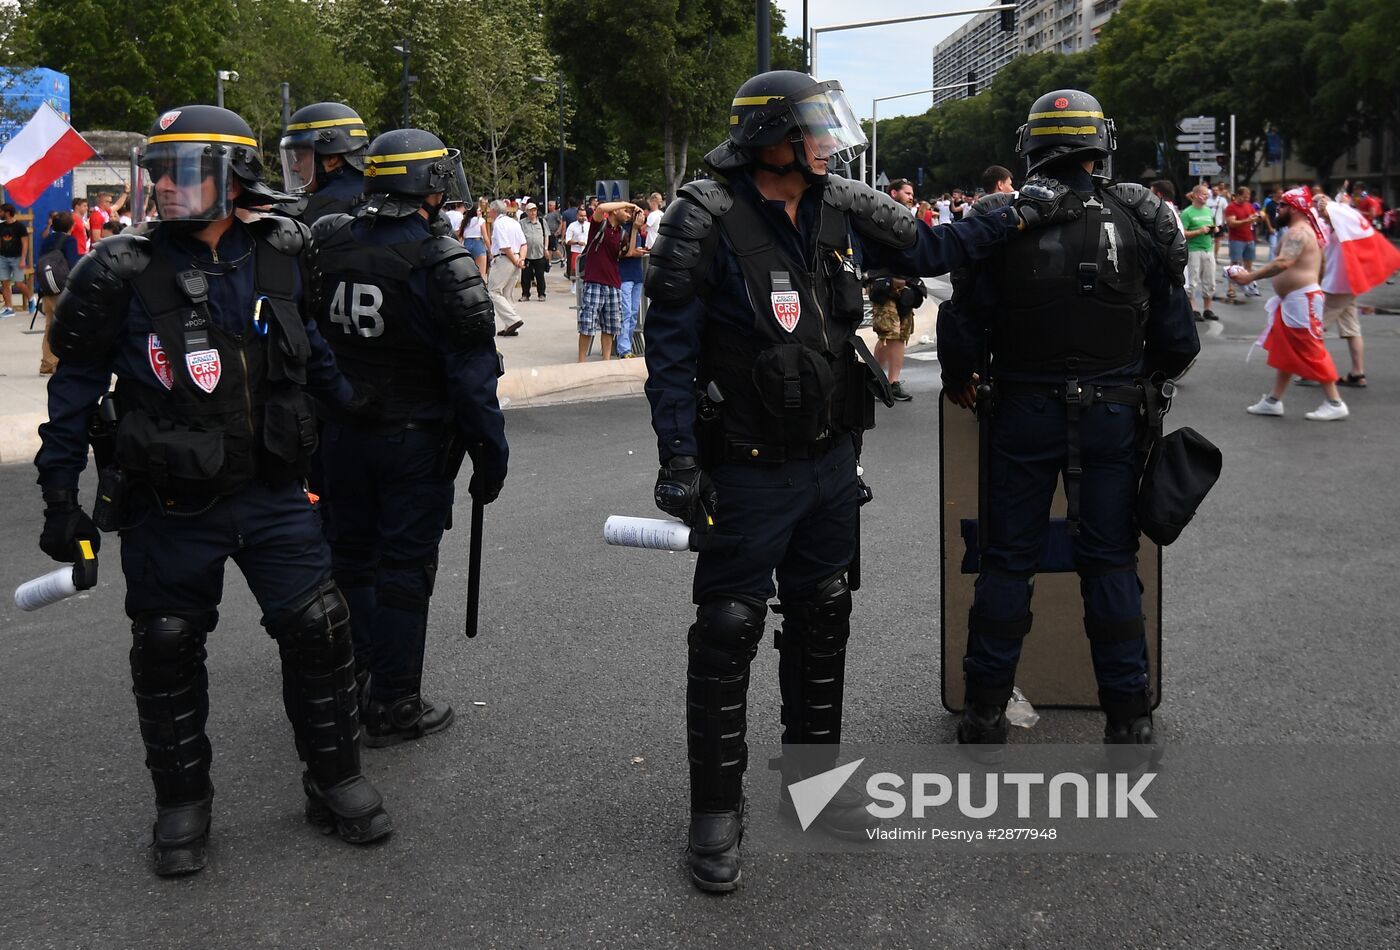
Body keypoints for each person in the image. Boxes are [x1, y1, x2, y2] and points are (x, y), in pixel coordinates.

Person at [643, 69, 1074, 894]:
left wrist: (1016, 209)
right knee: (728, 628)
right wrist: (677, 460)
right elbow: (668, 352)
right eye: (811, 127)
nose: (826, 140)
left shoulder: (842, 203)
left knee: (823, 617)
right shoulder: (703, 216)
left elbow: (933, 247)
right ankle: (715, 813)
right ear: (771, 135)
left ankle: (815, 787)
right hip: (747, 465)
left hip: (832, 461)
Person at [34, 104, 392, 878]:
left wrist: (363, 415)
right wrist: (59, 494)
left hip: (270, 493)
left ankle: (334, 781)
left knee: (320, 631)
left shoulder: (283, 251)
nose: (162, 185)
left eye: (182, 170)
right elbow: (75, 394)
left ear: (235, 178)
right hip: (170, 504)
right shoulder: (118, 272)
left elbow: (312, 354)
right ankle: (182, 804)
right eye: (155, 171)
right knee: (166, 648)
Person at [937, 88, 1198, 761]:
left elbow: (963, 322)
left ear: (1031, 147)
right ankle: (1128, 716)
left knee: (1007, 561)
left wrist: (960, 377)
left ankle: (985, 713)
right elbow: (1178, 339)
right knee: (1110, 559)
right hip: (1113, 411)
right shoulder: (1143, 215)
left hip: (1021, 408)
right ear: (1099, 146)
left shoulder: (1002, 217)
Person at [309, 127, 508, 745]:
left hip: (341, 434)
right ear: (428, 184)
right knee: (402, 569)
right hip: (412, 440)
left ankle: (357, 680)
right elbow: (473, 376)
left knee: (351, 562)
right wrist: (490, 453)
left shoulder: (331, 242)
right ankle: (394, 702)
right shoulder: (439, 259)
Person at [1234, 188, 1348, 420]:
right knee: (1286, 349)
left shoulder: (1298, 233)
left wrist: (1249, 276)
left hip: (1301, 300)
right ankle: (1274, 401)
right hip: (1298, 299)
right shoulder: (1306, 231)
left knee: (1311, 349)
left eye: (1283, 205)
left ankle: (1335, 402)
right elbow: (1322, 265)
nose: (1278, 209)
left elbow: (1283, 262)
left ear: (1294, 209)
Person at [867, 178, 924, 402]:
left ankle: (875, 377)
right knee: (890, 333)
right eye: (907, 192)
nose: (911, 196)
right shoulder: (880, 218)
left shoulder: (910, 218)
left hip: (905, 283)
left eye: (912, 193)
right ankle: (891, 382)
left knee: (899, 333)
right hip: (885, 282)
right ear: (894, 192)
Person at [278, 102, 370, 223]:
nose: (294, 167)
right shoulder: (381, 194)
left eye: (299, 157)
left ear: (332, 158)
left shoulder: (320, 209)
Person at [576, 199, 639, 362]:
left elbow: (628, 252)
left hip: (613, 284)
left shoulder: (622, 233)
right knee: (587, 325)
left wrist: (635, 229)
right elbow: (601, 208)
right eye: (626, 211)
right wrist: (626, 203)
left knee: (610, 327)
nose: (628, 215)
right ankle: (581, 362)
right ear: (615, 211)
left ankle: (606, 361)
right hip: (594, 281)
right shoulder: (600, 224)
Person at [36, 210, 79, 374]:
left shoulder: (47, 240)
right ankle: (68, 363)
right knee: (69, 326)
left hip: (47, 288)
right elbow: (73, 265)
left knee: (49, 326)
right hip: (64, 289)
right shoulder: (70, 241)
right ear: (72, 226)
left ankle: (47, 363)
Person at [485, 199, 526, 336]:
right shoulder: (514, 222)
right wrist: (521, 259)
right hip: (515, 257)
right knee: (507, 293)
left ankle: (513, 320)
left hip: (505, 258)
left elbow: (504, 246)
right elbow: (523, 244)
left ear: (494, 210)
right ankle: (511, 325)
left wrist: (515, 260)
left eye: (490, 209)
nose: (489, 212)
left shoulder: (499, 224)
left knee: (493, 291)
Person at [1180, 184, 1218, 321]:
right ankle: (1193, 309)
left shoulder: (1208, 211)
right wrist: (1198, 231)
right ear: (1195, 195)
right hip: (1194, 250)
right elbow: (1182, 232)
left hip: (1208, 249)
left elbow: (1211, 225)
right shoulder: (1187, 212)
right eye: (1203, 194)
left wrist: (1214, 229)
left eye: (1207, 195)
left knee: (1209, 281)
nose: (1206, 197)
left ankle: (1208, 309)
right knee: (1193, 281)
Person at [616, 208, 647, 358]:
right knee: (626, 313)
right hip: (624, 276)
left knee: (634, 313)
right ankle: (624, 348)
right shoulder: (624, 230)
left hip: (637, 275)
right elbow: (628, 251)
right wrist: (635, 228)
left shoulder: (640, 231)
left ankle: (625, 344)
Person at [1225, 187, 1263, 301]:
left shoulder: (1248, 205)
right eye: (1245, 196)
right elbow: (1231, 223)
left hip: (1249, 238)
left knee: (1248, 265)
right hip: (1237, 239)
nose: (1247, 199)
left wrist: (1259, 217)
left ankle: (1249, 287)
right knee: (1234, 264)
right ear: (1238, 195)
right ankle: (1231, 288)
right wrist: (1247, 220)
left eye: (1248, 196)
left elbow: (1254, 217)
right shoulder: (1231, 207)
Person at [0, 202, 32, 315]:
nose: (0, 214)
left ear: (7, 213)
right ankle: (9, 307)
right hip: (3, 257)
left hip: (17, 258)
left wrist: (23, 259)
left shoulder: (20, 227)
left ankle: (31, 298)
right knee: (5, 282)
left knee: (19, 283)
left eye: (1, 212)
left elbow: (25, 243)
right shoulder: (1, 226)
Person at [518, 201, 549, 301]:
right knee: (526, 275)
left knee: (540, 275)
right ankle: (525, 294)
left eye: (534, 210)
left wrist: (546, 249)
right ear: (526, 212)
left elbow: (546, 236)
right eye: (530, 211)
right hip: (526, 253)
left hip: (539, 252)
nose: (533, 213)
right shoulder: (522, 223)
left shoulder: (542, 221)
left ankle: (541, 294)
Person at [564, 211, 589, 293]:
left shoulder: (589, 225)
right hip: (576, 251)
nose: (583, 217)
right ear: (577, 216)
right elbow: (567, 240)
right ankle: (574, 285)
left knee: (587, 269)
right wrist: (577, 243)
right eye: (581, 215)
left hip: (587, 251)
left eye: (584, 215)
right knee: (575, 269)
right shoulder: (572, 226)